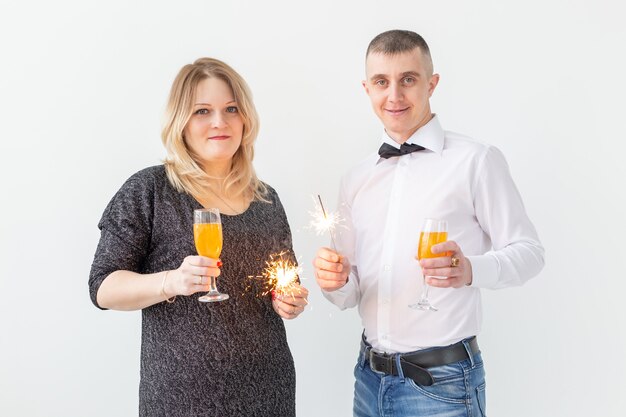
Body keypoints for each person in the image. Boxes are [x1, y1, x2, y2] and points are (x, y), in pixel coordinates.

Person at [313, 30, 544, 417]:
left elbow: (530, 253)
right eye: (382, 82)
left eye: (408, 79)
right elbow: (349, 291)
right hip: (368, 380)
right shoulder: (355, 179)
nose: (394, 96)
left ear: (432, 83)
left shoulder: (476, 160)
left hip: (443, 385)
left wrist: (470, 269)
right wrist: (332, 283)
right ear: (366, 88)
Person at [89, 57, 308, 417]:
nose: (219, 122)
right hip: (182, 398)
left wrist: (290, 299)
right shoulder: (151, 190)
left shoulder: (266, 199)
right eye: (202, 111)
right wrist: (171, 281)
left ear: (245, 119)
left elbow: (285, 281)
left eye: (231, 109)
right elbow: (103, 288)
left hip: (269, 391)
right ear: (181, 122)